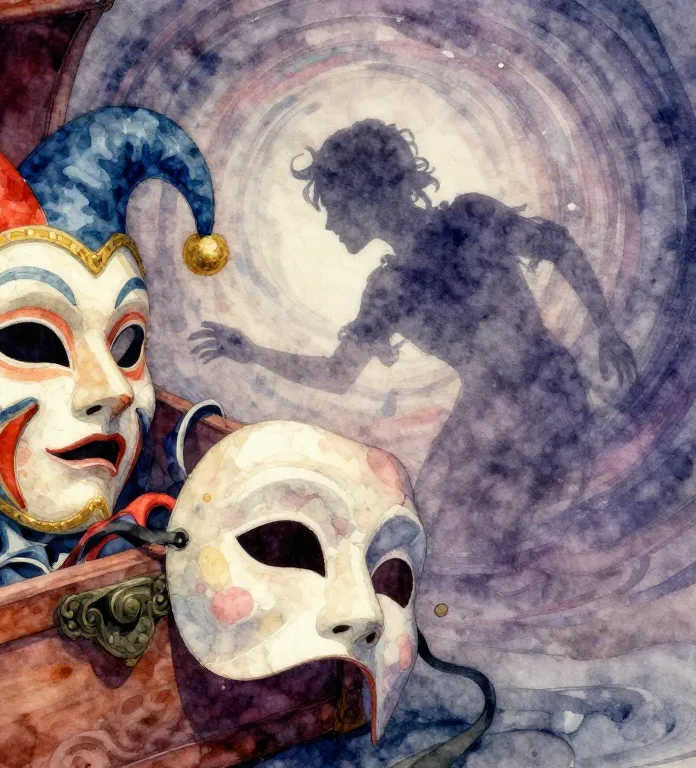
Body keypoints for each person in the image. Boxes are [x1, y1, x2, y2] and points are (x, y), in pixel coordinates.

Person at [191, 119, 636, 564]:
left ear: (365, 195)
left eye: (334, 206)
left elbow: (556, 246)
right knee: (430, 532)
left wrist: (608, 331)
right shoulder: (388, 289)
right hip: (487, 411)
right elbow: (338, 374)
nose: (329, 223)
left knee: (467, 536)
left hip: (546, 394)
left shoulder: (468, 219)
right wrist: (251, 353)